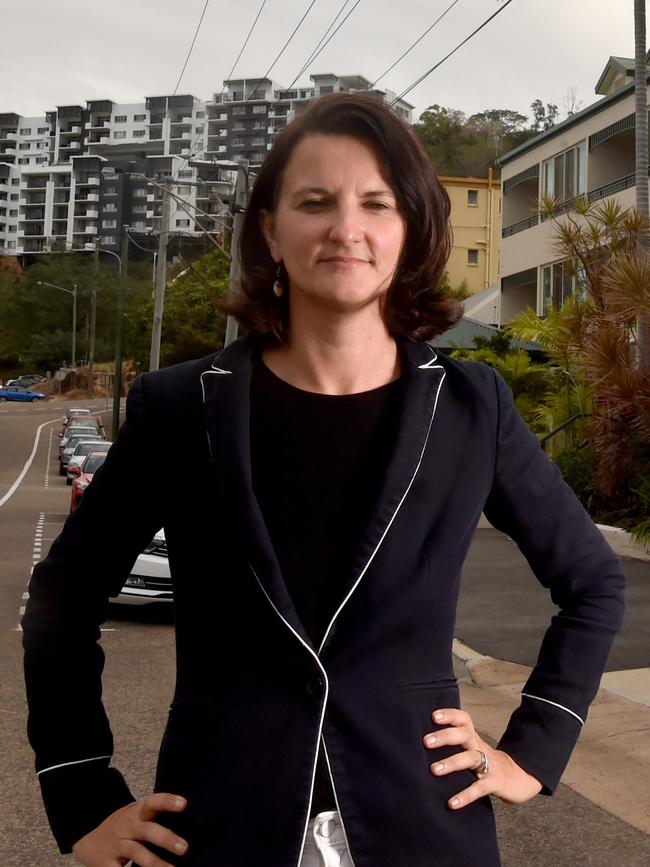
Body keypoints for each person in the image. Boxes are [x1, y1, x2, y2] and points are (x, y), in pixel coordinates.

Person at [23, 93, 626, 867]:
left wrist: (533, 749)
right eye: (315, 202)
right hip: (219, 823)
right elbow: (62, 599)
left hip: (421, 823)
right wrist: (82, 795)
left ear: (408, 231)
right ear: (271, 230)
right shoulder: (179, 407)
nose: (346, 228)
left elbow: (594, 582)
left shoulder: (473, 406)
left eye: (376, 202)